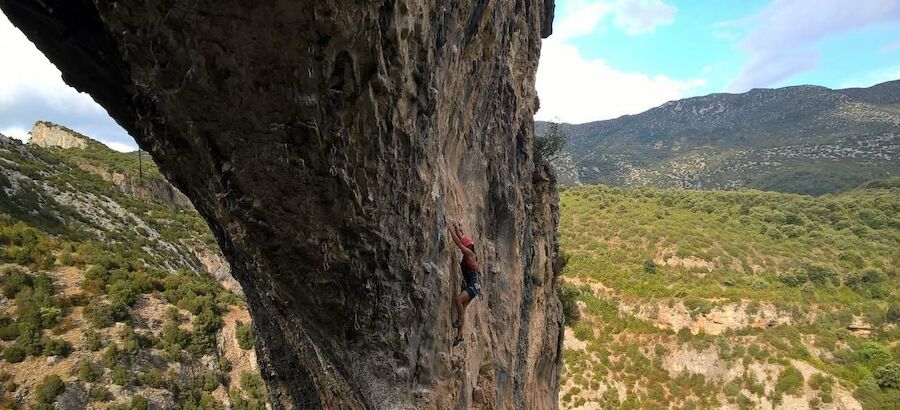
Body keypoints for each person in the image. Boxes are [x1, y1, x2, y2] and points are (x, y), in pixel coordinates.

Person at [448, 221, 481, 346]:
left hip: (473, 284)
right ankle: (459, 335)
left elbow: (459, 243)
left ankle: (459, 323)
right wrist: (456, 228)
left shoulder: (470, 254)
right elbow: (461, 239)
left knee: (458, 300)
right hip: (473, 284)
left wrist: (450, 229)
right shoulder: (469, 249)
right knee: (463, 308)